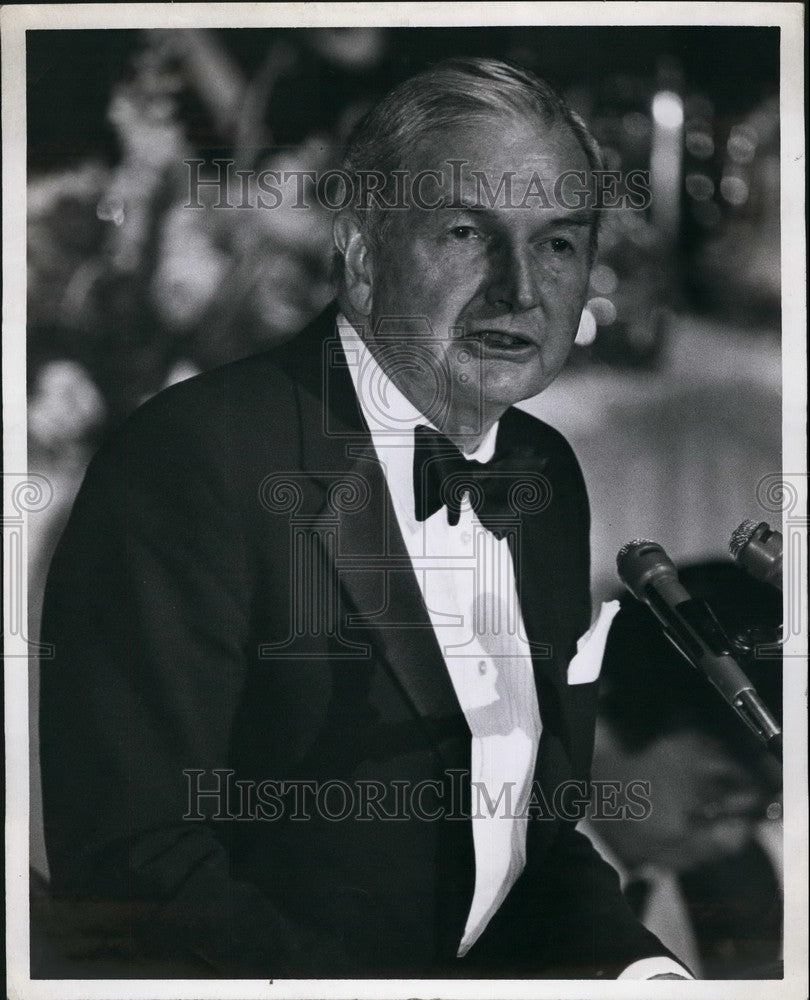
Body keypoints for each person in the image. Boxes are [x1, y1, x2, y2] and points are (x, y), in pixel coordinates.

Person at [38, 58, 688, 979]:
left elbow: (523, 844)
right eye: (467, 232)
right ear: (359, 248)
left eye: (557, 244)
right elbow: (137, 876)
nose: (519, 291)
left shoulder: (545, 471)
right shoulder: (193, 460)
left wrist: (644, 976)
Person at [586, 561, 783, 979]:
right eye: (718, 792)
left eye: (766, 808)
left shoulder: (741, 890)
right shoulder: (456, 879)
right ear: (602, 715)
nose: (732, 841)